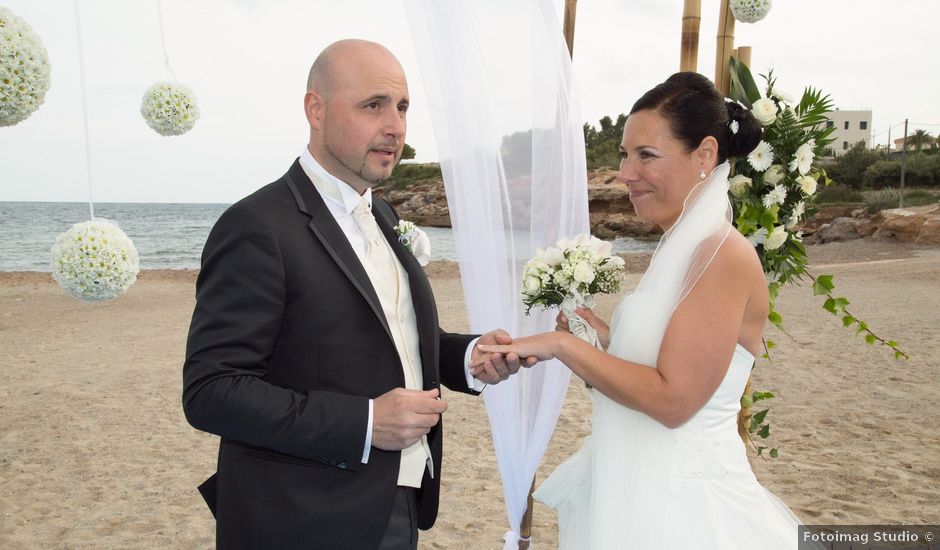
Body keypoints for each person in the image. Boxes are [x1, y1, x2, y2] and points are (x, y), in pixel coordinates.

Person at [182, 39, 533, 550]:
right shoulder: (257, 226)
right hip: (300, 517)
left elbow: (390, 336)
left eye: (403, 107)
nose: (395, 126)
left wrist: (466, 358)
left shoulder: (384, 215)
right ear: (316, 110)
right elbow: (211, 391)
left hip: (395, 505)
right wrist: (366, 422)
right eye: (374, 105)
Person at [478, 72, 807, 549]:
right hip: (638, 483)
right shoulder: (682, 243)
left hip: (683, 508)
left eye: (646, 155)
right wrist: (602, 337)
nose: (626, 173)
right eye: (624, 156)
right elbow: (671, 358)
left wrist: (561, 345)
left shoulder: (722, 255)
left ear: (706, 155)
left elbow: (673, 402)